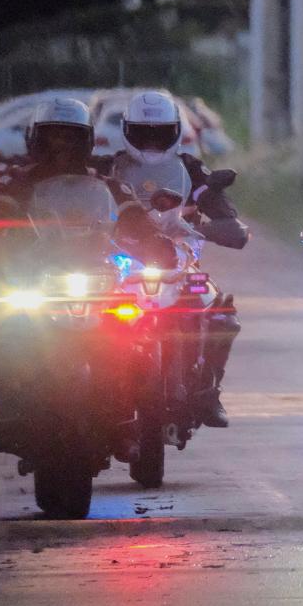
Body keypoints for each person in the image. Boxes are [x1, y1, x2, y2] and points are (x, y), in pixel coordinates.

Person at [107, 90, 244, 428]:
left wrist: (221, 225)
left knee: (220, 313)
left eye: (160, 132)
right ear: (128, 130)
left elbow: (220, 208)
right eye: (143, 132)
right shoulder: (110, 167)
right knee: (87, 311)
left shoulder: (191, 169)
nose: (152, 140)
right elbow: (82, 198)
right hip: (122, 261)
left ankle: (208, 391)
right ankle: (95, 385)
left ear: (174, 132)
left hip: (181, 261)